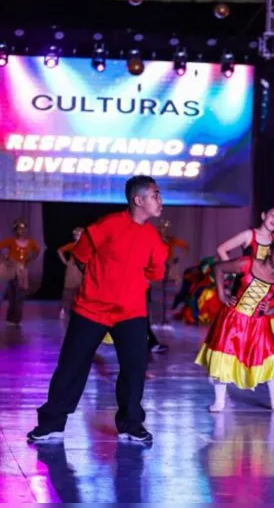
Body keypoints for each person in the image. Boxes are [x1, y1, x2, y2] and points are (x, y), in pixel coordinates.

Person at [28, 176, 168, 443]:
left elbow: (155, 273)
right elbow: (80, 256)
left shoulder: (153, 238)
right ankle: (52, 424)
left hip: (131, 312)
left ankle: (130, 424)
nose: (160, 201)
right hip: (91, 308)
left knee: (134, 368)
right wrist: (99, 284)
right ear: (138, 200)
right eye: (155, 195)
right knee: (71, 366)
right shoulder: (107, 225)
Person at [195, 239, 274, 413]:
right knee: (225, 356)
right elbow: (219, 268)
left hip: (258, 325)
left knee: (271, 360)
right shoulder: (248, 263)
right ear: (270, 250)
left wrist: (269, 310)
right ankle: (219, 401)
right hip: (234, 320)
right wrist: (222, 295)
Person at [216, 207, 274, 380]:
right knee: (240, 334)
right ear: (263, 215)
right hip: (248, 293)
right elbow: (222, 249)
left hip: (269, 293)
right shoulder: (249, 235)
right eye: (272, 215)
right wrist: (236, 272)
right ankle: (229, 373)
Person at [0, 219, 40, 324]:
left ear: (26, 229)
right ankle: (11, 318)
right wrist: (4, 260)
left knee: (19, 294)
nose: (21, 230)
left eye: (23, 228)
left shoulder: (30, 242)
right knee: (13, 294)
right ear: (15, 230)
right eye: (19, 228)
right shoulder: (11, 241)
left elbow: (37, 251)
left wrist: (29, 261)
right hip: (12, 269)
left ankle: (16, 319)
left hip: (22, 270)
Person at [56, 227, 84, 320]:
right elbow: (60, 250)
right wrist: (65, 262)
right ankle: (63, 309)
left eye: (80, 235)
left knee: (80, 289)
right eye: (76, 235)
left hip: (82, 268)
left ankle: (76, 310)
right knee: (68, 289)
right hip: (73, 268)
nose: (78, 237)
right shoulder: (72, 245)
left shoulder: (86, 245)